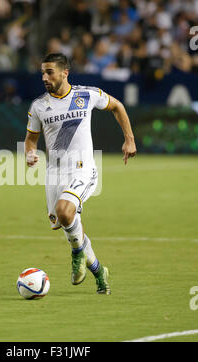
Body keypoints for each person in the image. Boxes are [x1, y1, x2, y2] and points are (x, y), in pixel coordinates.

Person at [24, 53, 136, 294]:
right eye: (42, 72)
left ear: (65, 72)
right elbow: (31, 140)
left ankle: (76, 255)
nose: (44, 77)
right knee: (68, 223)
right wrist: (30, 154)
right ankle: (98, 271)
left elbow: (117, 106)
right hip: (55, 174)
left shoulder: (87, 94)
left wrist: (129, 139)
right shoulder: (39, 106)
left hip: (83, 169)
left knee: (65, 212)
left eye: (49, 72)